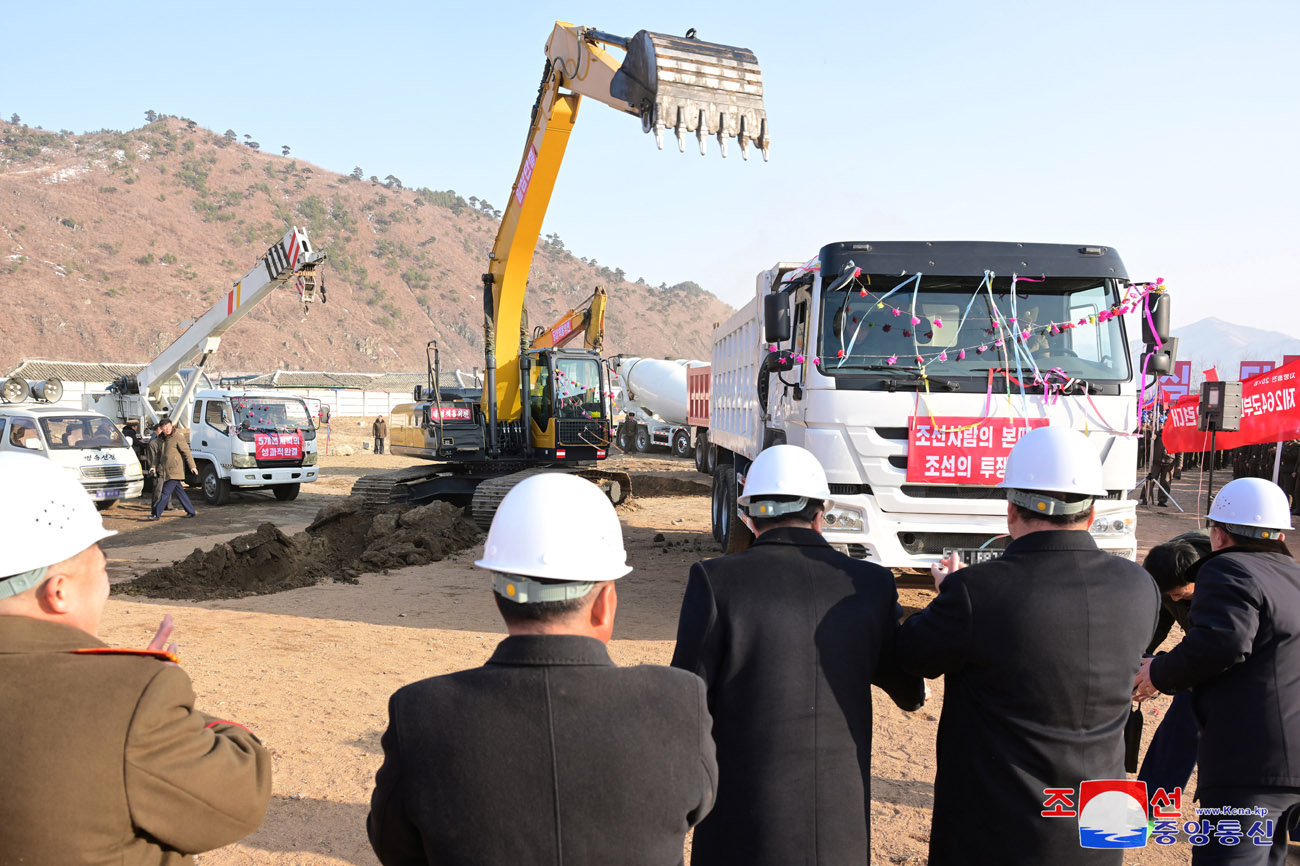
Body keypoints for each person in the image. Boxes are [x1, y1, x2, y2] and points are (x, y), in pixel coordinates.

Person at [368, 473, 716, 866]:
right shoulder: (677, 703)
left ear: (499, 596)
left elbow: (394, 845)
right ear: (605, 604)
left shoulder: (421, 713)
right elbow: (698, 804)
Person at [897, 425, 1160, 866]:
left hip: (1000, 833)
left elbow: (912, 653)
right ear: (1092, 513)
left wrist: (951, 594)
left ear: (1010, 512)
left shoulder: (976, 592)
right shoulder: (1140, 585)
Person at [0, 452, 272, 864]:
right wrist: (136, 685)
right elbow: (242, 791)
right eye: (102, 567)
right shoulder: (132, 697)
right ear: (59, 591)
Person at [670, 444, 924, 865]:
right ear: (821, 513)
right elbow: (908, 690)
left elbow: (685, 699)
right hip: (838, 823)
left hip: (743, 821)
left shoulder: (716, 580)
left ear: (749, 515)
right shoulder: (872, 584)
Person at [1135, 477, 1300, 865]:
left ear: (1219, 534)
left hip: (1252, 766)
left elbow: (1224, 643)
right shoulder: (1292, 577)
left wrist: (1158, 673)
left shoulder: (1227, 568)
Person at [1136, 530, 1212, 796]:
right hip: (1202, 661)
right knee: (1178, 729)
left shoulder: (1225, 583)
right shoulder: (1167, 574)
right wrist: (1137, 662)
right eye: (1171, 596)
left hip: (1244, 669)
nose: (1177, 600)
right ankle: (1148, 805)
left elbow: (1214, 645)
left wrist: (1160, 672)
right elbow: (1154, 626)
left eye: (1183, 595)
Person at [150, 418, 197, 520]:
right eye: (164, 427)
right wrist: (153, 466)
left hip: (175, 470)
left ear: (171, 425)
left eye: (168, 426)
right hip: (166, 471)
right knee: (180, 492)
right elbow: (158, 455)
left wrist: (192, 466)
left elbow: (186, 452)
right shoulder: (161, 439)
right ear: (161, 428)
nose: (166, 429)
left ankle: (156, 514)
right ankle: (191, 511)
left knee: (165, 493)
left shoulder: (178, 437)